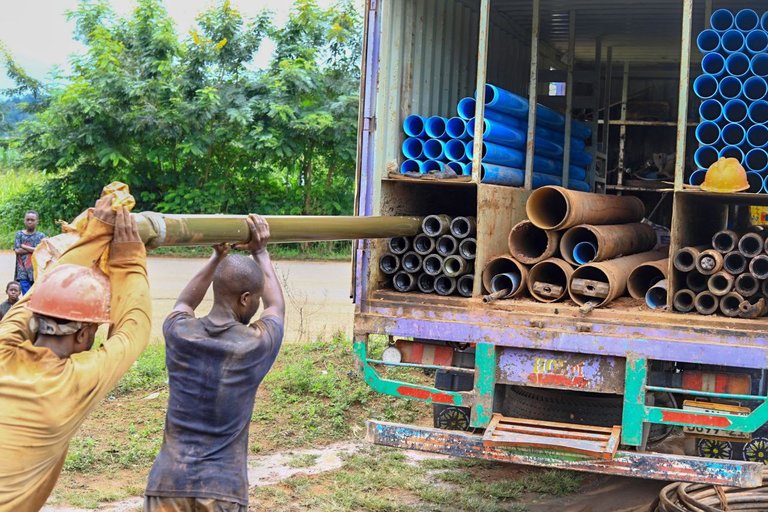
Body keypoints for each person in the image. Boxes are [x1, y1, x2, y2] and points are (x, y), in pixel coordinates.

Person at [0, 196, 151, 511]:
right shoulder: (76, 381)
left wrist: (98, 230)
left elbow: (32, 300)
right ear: (85, 334)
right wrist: (128, 257)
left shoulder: (4, 347)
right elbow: (133, 328)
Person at [145, 214, 285, 512]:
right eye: (255, 299)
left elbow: (183, 304)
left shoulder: (180, 333)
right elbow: (276, 307)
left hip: (167, 482)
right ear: (246, 299)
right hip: (222, 489)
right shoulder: (254, 345)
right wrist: (260, 252)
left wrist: (216, 256)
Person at [14, 210, 46, 294]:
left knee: (36, 294)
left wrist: (24, 246)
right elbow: (17, 250)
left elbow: (43, 251)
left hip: (37, 271)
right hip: (22, 271)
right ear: (24, 220)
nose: (30, 222)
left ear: (37, 221)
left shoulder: (41, 236)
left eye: (32, 220)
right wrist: (35, 249)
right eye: (28, 219)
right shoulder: (19, 234)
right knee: (26, 295)